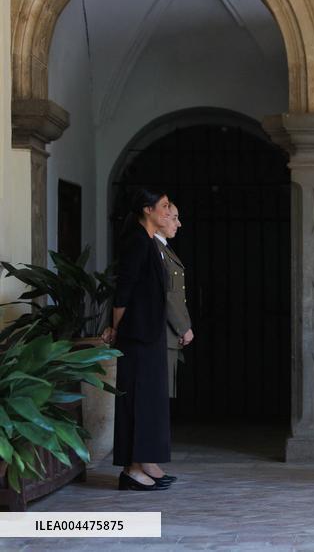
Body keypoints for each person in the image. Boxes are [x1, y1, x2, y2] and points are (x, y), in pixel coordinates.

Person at [102, 189, 175, 491]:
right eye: (164, 206)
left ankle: (146, 462)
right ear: (147, 210)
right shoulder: (136, 242)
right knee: (137, 400)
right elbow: (124, 291)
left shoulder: (147, 243)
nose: (169, 211)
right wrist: (117, 328)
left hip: (148, 332)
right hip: (135, 334)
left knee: (150, 401)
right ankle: (132, 470)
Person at [154, 204, 194, 399]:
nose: (178, 223)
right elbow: (167, 294)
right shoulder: (155, 248)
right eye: (174, 218)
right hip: (165, 331)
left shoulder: (163, 247)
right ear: (161, 218)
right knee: (160, 395)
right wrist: (183, 327)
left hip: (170, 333)